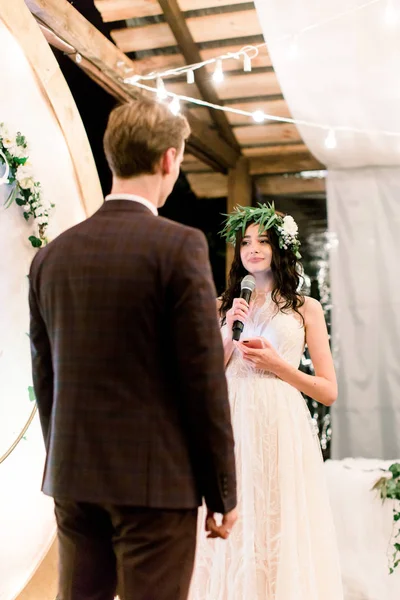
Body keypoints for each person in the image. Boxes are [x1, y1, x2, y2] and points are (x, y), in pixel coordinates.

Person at [28, 97, 237, 600]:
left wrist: (64, 459)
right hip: (156, 484)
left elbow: (45, 378)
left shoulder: (51, 258)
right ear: (168, 159)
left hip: (74, 478)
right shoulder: (178, 246)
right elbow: (202, 379)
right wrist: (222, 490)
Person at [189, 204, 343, 600]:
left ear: (280, 247)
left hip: (280, 420)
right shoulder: (226, 304)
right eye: (245, 242)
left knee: (277, 513)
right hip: (233, 416)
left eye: (262, 240)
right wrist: (227, 329)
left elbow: (328, 390)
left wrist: (279, 365)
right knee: (236, 511)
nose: (253, 249)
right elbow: (204, 372)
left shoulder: (305, 308)